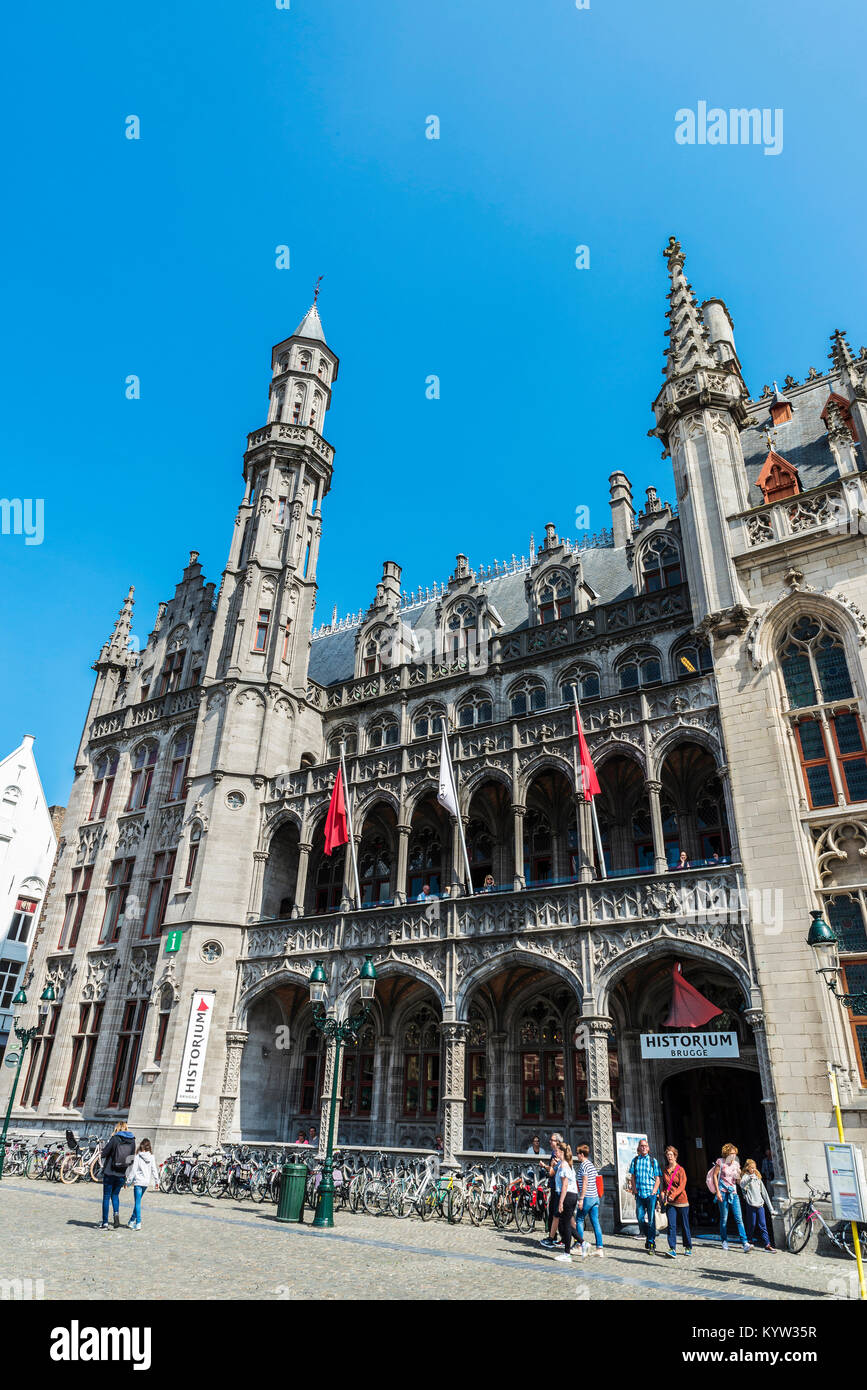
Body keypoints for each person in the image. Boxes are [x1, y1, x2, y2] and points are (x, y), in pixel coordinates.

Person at [712, 1142, 752, 1253]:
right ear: (726, 1154)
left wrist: (742, 1175)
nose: (733, 1156)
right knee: (724, 1219)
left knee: (739, 1218)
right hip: (723, 1192)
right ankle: (724, 1241)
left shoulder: (736, 1164)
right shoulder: (720, 1162)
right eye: (731, 1154)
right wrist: (718, 1192)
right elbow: (715, 1176)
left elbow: (738, 1180)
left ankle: (745, 1243)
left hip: (733, 1193)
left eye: (735, 1154)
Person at [98, 1121, 136, 1229]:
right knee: (115, 1195)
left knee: (106, 1197)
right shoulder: (133, 1141)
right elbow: (131, 1159)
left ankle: (105, 1223)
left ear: (117, 1128)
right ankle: (116, 1214)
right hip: (122, 1173)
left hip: (110, 1171)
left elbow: (104, 1154)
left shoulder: (115, 1138)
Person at [627, 1138, 661, 1252]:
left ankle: (651, 1243)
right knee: (640, 1218)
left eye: (645, 1146)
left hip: (650, 1194)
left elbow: (657, 1178)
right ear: (638, 1148)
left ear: (648, 1148)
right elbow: (632, 1177)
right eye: (641, 1146)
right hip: (640, 1194)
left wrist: (654, 1192)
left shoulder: (653, 1161)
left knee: (651, 1219)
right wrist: (635, 1190)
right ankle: (649, 1235)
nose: (643, 1147)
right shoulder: (635, 1160)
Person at [659, 1145, 692, 1258]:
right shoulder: (665, 1170)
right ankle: (672, 1248)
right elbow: (665, 1186)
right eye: (668, 1155)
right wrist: (663, 1193)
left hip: (682, 1201)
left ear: (675, 1156)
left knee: (684, 1225)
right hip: (670, 1203)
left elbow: (682, 1185)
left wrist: (673, 1194)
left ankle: (688, 1247)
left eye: (671, 1155)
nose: (669, 1157)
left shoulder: (681, 1170)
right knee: (671, 1226)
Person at [739, 1159, 777, 1252]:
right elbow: (742, 1185)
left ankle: (767, 1245)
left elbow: (764, 1193)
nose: (753, 1169)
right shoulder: (745, 1177)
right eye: (751, 1167)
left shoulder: (757, 1177)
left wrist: (771, 1208)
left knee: (762, 1225)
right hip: (751, 1204)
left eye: (754, 1167)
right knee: (751, 1224)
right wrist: (749, 1178)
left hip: (760, 1204)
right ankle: (749, 1241)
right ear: (747, 1168)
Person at [574, 1144, 604, 1257]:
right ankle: (599, 1248)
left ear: (582, 1154)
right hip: (595, 1197)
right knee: (595, 1222)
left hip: (587, 1197)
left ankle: (579, 1245)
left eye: (577, 1154)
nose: (577, 1156)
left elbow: (585, 1182)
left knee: (580, 1219)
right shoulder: (591, 1165)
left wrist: (581, 1198)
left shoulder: (584, 1165)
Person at [553, 1144, 580, 1262]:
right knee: (566, 1223)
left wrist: (561, 1202)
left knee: (566, 1225)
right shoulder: (567, 1164)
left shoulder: (564, 1165)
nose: (555, 1153)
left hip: (567, 1196)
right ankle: (583, 1243)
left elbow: (565, 1185)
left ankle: (567, 1253)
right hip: (572, 1195)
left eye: (557, 1151)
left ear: (562, 1152)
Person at [125, 1139, 159, 1231]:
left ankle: (138, 1222)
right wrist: (157, 1181)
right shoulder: (151, 1156)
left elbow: (133, 1170)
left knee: (137, 1203)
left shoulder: (138, 1156)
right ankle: (131, 1221)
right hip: (146, 1183)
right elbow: (154, 1169)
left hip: (138, 1182)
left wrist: (128, 1182)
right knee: (138, 1202)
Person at [539, 1135, 564, 1249]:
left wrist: (545, 1166)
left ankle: (554, 1238)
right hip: (555, 1186)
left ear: (557, 1142)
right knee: (555, 1214)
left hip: (557, 1187)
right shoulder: (554, 1153)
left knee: (556, 1214)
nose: (550, 1142)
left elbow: (553, 1171)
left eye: (552, 1140)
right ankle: (556, 1237)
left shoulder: (557, 1154)